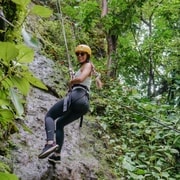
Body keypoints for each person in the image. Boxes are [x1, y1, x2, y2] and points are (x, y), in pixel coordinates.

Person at [38, 44, 103, 163]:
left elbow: (80, 79)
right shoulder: (84, 67)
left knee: (50, 116)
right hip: (83, 104)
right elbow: (80, 78)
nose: (79, 56)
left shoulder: (88, 65)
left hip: (78, 96)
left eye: (82, 54)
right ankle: (57, 155)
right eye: (77, 54)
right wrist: (73, 76)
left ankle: (50, 143)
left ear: (87, 56)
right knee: (60, 123)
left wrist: (71, 81)